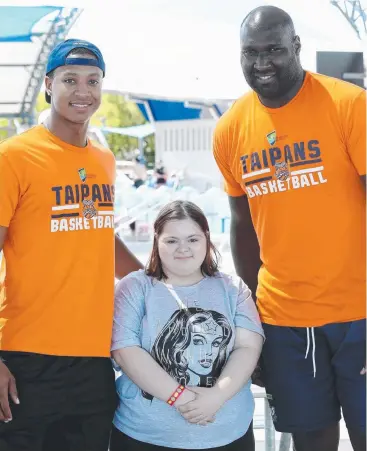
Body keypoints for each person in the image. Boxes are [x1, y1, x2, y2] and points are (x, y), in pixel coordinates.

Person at [213, 6, 366, 451]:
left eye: (275, 50)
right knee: (310, 441)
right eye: (251, 52)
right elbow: (243, 227)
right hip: (285, 320)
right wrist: (252, 318)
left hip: (359, 313)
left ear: (297, 47)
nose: (262, 63)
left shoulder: (348, 105)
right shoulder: (231, 129)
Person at [0, 39, 142, 451]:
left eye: (93, 81)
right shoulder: (15, 157)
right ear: (48, 84)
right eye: (70, 80)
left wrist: (157, 280)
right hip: (25, 355)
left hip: (93, 358)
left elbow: (97, 232)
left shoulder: (103, 160)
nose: (83, 91)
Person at [110, 200, 264, 451]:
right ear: (157, 240)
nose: (183, 248)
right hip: (144, 436)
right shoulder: (134, 288)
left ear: (206, 239)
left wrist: (217, 396)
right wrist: (181, 399)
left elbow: (247, 346)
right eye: (172, 241)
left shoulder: (233, 289)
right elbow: (125, 351)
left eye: (192, 239)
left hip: (228, 434)